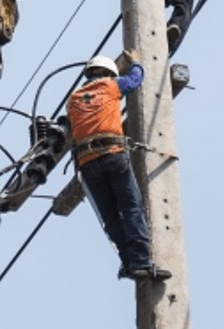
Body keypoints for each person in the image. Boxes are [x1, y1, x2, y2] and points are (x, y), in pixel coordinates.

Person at [66, 50, 171, 281]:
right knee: (131, 208)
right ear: (109, 73)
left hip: (88, 163)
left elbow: (70, 128)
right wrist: (135, 62)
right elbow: (135, 80)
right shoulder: (110, 85)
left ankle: (128, 262)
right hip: (112, 155)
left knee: (111, 217)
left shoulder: (73, 99)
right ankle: (141, 262)